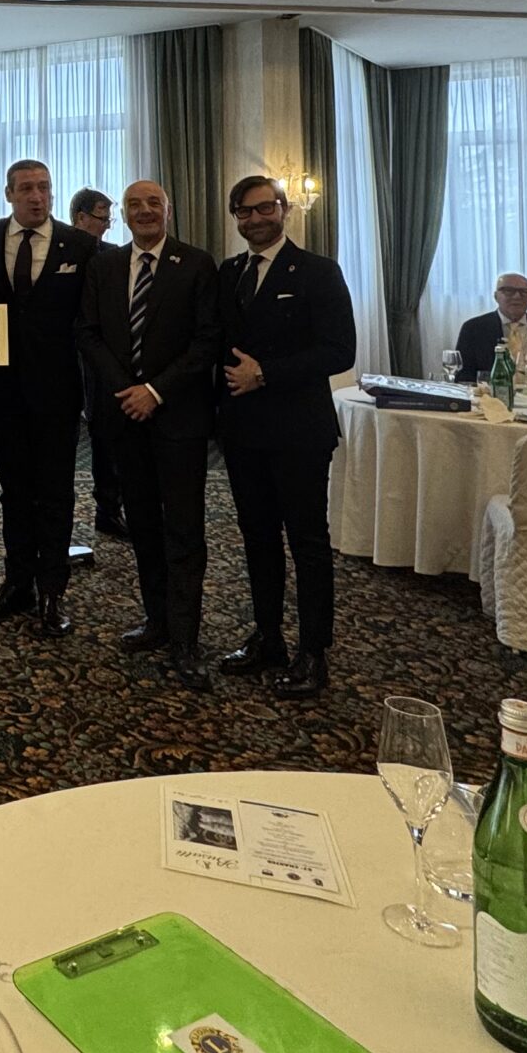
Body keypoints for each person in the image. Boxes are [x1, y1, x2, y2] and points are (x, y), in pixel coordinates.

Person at [214, 175, 355, 700]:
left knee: (307, 542)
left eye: (263, 208)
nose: (254, 219)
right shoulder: (230, 272)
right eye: (243, 212)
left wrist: (266, 374)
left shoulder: (318, 271)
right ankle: (267, 637)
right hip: (242, 431)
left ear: (283, 209)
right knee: (257, 538)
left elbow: (340, 351)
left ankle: (314, 652)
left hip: (299, 431)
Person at [76, 180, 220, 690]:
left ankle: (186, 639)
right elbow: (88, 333)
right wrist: (128, 391)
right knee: (141, 524)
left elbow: (207, 341)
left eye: (153, 203)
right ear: (123, 214)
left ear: (168, 210)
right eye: (133, 205)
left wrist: (155, 391)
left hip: (178, 418)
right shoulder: (105, 265)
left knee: (183, 530)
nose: (144, 211)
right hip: (124, 417)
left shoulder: (196, 264)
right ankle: (156, 619)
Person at [0, 158, 98, 636]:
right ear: (9, 194)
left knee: (56, 493)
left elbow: (91, 317)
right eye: (26, 188)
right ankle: (17, 583)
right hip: (0, 392)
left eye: (44, 187)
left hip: (57, 393)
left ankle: (52, 592)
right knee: (14, 492)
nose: (36, 196)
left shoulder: (80, 245)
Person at [69, 187, 130, 542]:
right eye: (101, 218)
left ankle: (109, 508)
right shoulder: (58, 249)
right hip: (63, 356)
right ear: (80, 217)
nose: (107, 226)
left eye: (109, 219)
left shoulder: (115, 256)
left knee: (107, 436)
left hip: (103, 358)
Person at [452, 273, 527, 381]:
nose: (517, 296)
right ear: (496, 296)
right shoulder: (474, 329)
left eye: (524, 292)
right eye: (508, 291)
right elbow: (463, 376)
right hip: (492, 396)